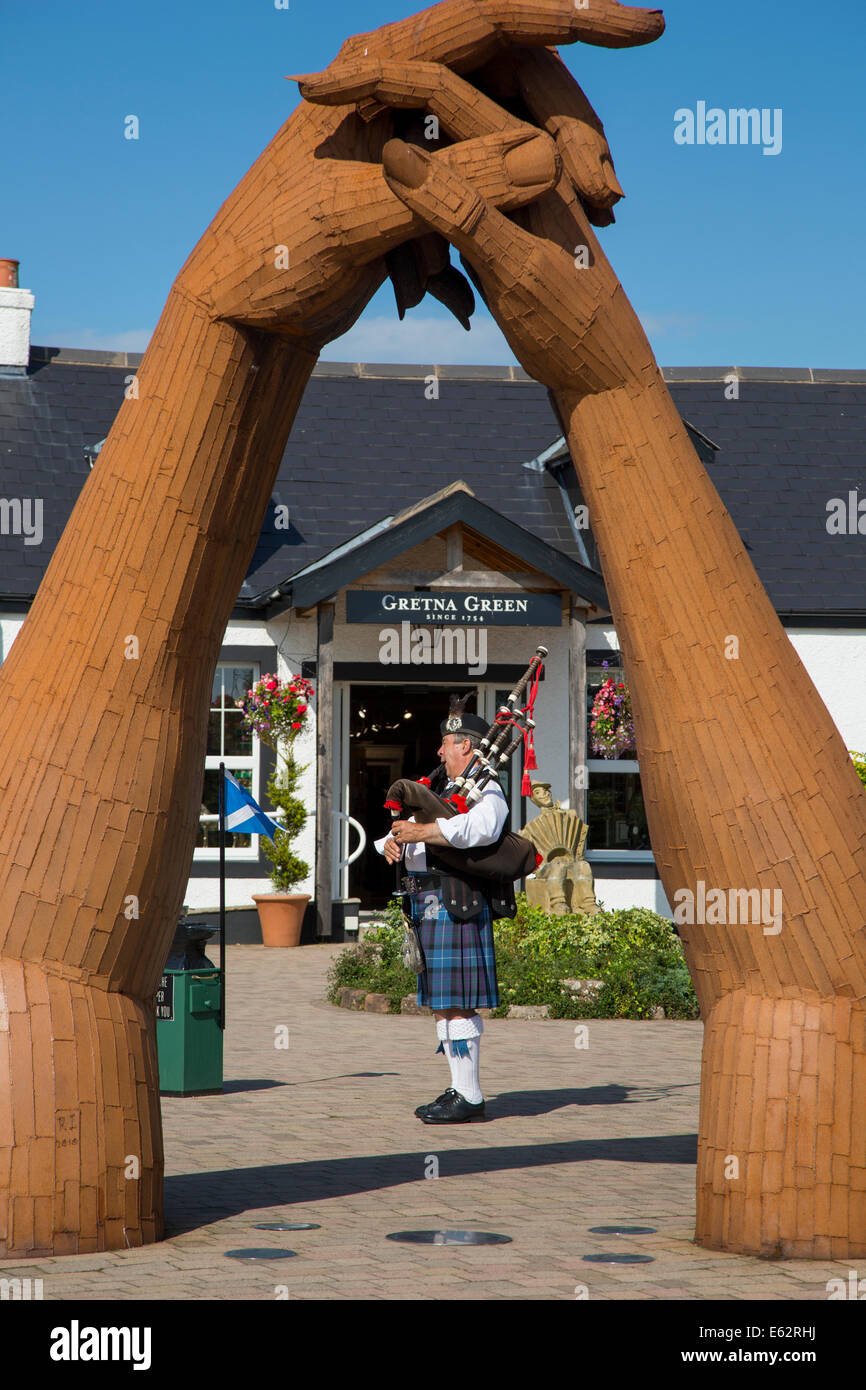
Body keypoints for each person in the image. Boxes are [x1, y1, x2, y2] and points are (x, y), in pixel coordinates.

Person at [373, 703, 509, 1123]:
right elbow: (395, 835)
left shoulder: (487, 790)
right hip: (427, 904)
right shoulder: (438, 790)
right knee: (442, 1006)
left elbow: (478, 830)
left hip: (457, 904)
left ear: (465, 745)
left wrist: (420, 831)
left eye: (446, 744)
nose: (439, 752)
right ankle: (459, 1088)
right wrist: (392, 843)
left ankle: (470, 1097)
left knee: (459, 1004)